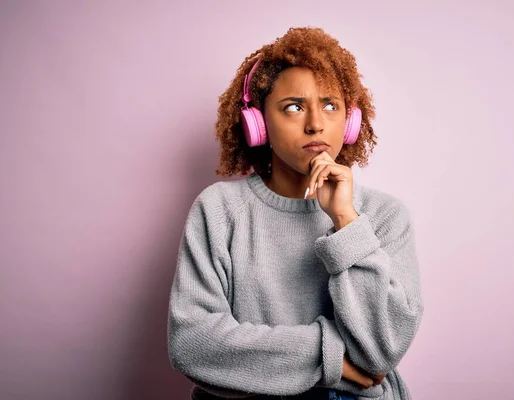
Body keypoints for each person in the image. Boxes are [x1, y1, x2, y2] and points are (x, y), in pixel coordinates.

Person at [167, 27, 424, 400]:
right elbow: (193, 343)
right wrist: (330, 359)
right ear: (258, 124)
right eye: (294, 107)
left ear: (349, 122)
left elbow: (381, 351)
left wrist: (345, 222)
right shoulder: (220, 210)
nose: (316, 123)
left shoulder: (385, 216)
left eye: (331, 105)